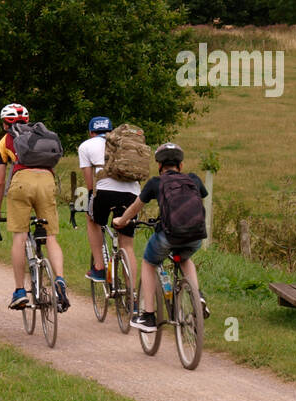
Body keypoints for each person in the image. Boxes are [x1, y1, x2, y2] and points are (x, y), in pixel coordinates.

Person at [113, 142, 205, 333]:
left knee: (148, 262)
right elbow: (198, 199)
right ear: (181, 165)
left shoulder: (156, 182)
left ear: (159, 166)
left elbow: (135, 207)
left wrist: (122, 220)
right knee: (184, 258)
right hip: (196, 235)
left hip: (169, 235)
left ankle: (148, 316)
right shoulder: (193, 179)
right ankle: (198, 297)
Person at [0, 102, 70, 313]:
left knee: (20, 236)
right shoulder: (41, 135)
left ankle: (18, 292)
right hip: (47, 180)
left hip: (21, 182)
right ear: (27, 119)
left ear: (5, 122)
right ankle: (60, 281)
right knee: (51, 236)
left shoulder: (5, 140)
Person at [76, 115, 140, 285]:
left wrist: (89, 197)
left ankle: (99, 267)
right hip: (133, 195)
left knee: (92, 220)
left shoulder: (85, 146)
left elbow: (90, 184)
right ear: (111, 131)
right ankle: (132, 296)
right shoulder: (123, 143)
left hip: (104, 192)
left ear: (91, 132)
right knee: (127, 245)